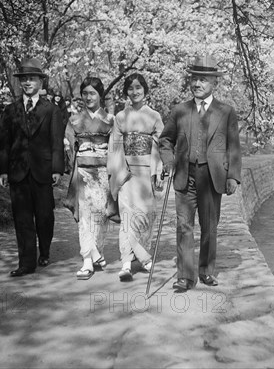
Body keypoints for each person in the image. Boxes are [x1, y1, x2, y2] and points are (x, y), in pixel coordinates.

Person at [159, 54, 242, 292]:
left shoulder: (226, 112)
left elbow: (233, 146)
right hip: (185, 176)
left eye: (203, 79)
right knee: (184, 226)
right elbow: (165, 139)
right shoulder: (180, 111)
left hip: (212, 177)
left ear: (214, 83)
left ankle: (206, 270)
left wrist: (233, 176)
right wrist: (168, 160)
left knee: (209, 227)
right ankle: (185, 276)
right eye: (195, 79)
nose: (197, 84)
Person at [0, 58, 64, 277]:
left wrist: (57, 169)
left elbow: (56, 142)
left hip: (42, 171)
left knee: (45, 216)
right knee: (22, 217)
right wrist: (4, 170)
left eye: (32, 78)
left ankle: (44, 250)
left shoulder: (52, 110)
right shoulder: (10, 110)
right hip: (17, 171)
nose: (27, 82)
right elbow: (5, 142)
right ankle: (26, 263)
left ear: (40, 81)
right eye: (24, 79)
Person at [108, 73, 164, 282]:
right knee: (127, 217)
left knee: (146, 216)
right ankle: (127, 263)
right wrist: (117, 172)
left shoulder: (154, 116)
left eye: (139, 87)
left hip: (146, 173)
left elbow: (161, 144)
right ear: (126, 92)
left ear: (145, 90)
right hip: (127, 173)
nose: (135, 92)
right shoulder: (120, 117)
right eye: (130, 88)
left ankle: (141, 255)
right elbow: (114, 147)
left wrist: (158, 169)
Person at [64, 76, 114, 280]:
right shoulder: (74, 120)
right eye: (84, 93)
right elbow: (69, 146)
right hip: (83, 172)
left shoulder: (110, 120)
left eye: (92, 93)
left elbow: (115, 149)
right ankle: (87, 259)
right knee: (84, 216)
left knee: (101, 215)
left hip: (103, 171)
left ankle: (97, 251)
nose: (88, 97)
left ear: (100, 95)